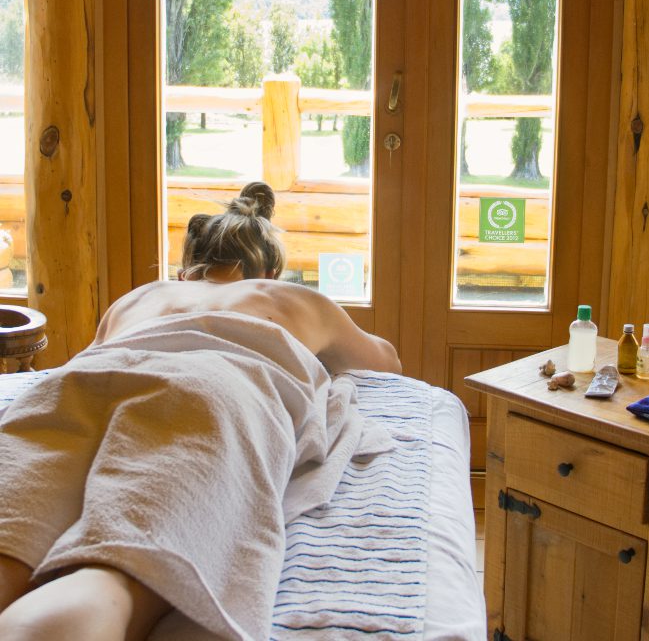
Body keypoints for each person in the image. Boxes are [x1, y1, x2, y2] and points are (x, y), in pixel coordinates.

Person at [0, 182, 400, 640]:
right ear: (268, 269)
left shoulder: (140, 297)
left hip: (77, 383)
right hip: (207, 389)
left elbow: (94, 353)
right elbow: (386, 361)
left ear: (188, 268)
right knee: (115, 574)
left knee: (8, 551)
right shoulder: (290, 299)